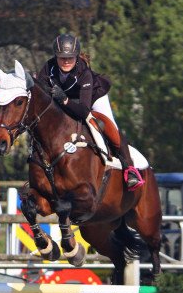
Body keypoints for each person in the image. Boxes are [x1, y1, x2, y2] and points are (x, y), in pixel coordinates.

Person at [36, 33, 144, 191]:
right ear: (56, 57)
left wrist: (64, 100)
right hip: (65, 101)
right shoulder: (48, 68)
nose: (66, 61)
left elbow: (84, 111)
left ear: (77, 56)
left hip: (93, 98)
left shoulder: (84, 73)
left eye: (70, 57)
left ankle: (130, 170)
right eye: (62, 57)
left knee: (109, 126)